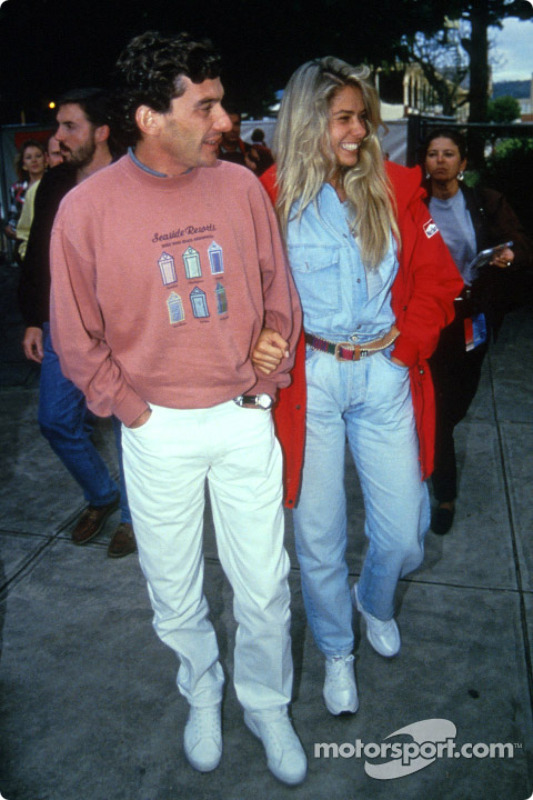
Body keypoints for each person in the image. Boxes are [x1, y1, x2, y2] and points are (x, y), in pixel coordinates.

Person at [49, 31, 306, 785]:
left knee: (264, 585)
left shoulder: (236, 189)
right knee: (174, 588)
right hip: (155, 429)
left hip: (242, 417)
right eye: (208, 106)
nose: (225, 121)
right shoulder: (86, 209)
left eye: (221, 104)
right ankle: (201, 688)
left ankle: (265, 703)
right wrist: (132, 412)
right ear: (150, 118)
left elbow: (276, 294)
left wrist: (271, 361)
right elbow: (74, 333)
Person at [252, 57, 462, 717]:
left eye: (362, 117)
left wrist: (406, 350)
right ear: (309, 120)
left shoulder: (396, 187)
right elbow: (247, 294)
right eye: (343, 117)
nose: (358, 130)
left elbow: (440, 281)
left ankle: (374, 602)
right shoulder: (267, 195)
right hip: (308, 381)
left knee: (402, 535)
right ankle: (337, 653)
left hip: (382, 375)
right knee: (317, 537)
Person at [18, 88, 135, 559]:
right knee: (55, 419)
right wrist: (33, 318)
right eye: (58, 126)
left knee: (130, 425)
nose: (58, 137)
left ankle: (132, 516)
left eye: (71, 127)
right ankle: (102, 495)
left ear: (101, 131)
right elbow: (41, 256)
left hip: (126, 326)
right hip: (65, 324)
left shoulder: (135, 177)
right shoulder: (56, 182)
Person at [421, 128, 533, 535]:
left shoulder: (484, 203)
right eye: (433, 153)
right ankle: (443, 494)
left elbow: (521, 243)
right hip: (428, 317)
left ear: (463, 163)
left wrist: (509, 253)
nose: (440, 161)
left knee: (457, 403)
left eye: (449, 153)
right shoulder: (413, 203)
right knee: (436, 407)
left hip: (472, 317)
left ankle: (438, 444)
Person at [16, 136, 64, 262]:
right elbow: (24, 233)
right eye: (56, 154)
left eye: (38, 156)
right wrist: (28, 258)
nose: (62, 159)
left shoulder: (84, 186)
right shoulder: (30, 192)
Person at [4, 139, 47, 260]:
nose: (34, 160)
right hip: (23, 246)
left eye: (38, 156)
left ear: (45, 160)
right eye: (29, 157)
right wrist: (10, 231)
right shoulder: (17, 188)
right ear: (23, 165)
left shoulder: (53, 185)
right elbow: (13, 219)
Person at [218, 107, 260, 172]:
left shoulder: (250, 152)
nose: (233, 129)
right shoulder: (212, 154)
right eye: (229, 124)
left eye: (236, 124)